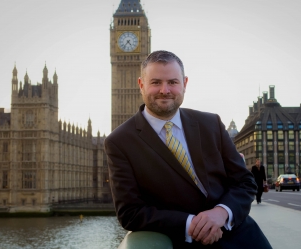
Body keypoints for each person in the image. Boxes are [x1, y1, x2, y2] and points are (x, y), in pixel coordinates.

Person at [104, 50, 272, 248]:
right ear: (141, 85)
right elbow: (130, 213)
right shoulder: (120, 141)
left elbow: (245, 182)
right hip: (182, 241)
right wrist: (191, 224)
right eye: (156, 82)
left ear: (185, 84)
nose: (165, 90)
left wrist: (222, 212)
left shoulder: (211, 123)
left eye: (173, 82)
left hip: (240, 236)